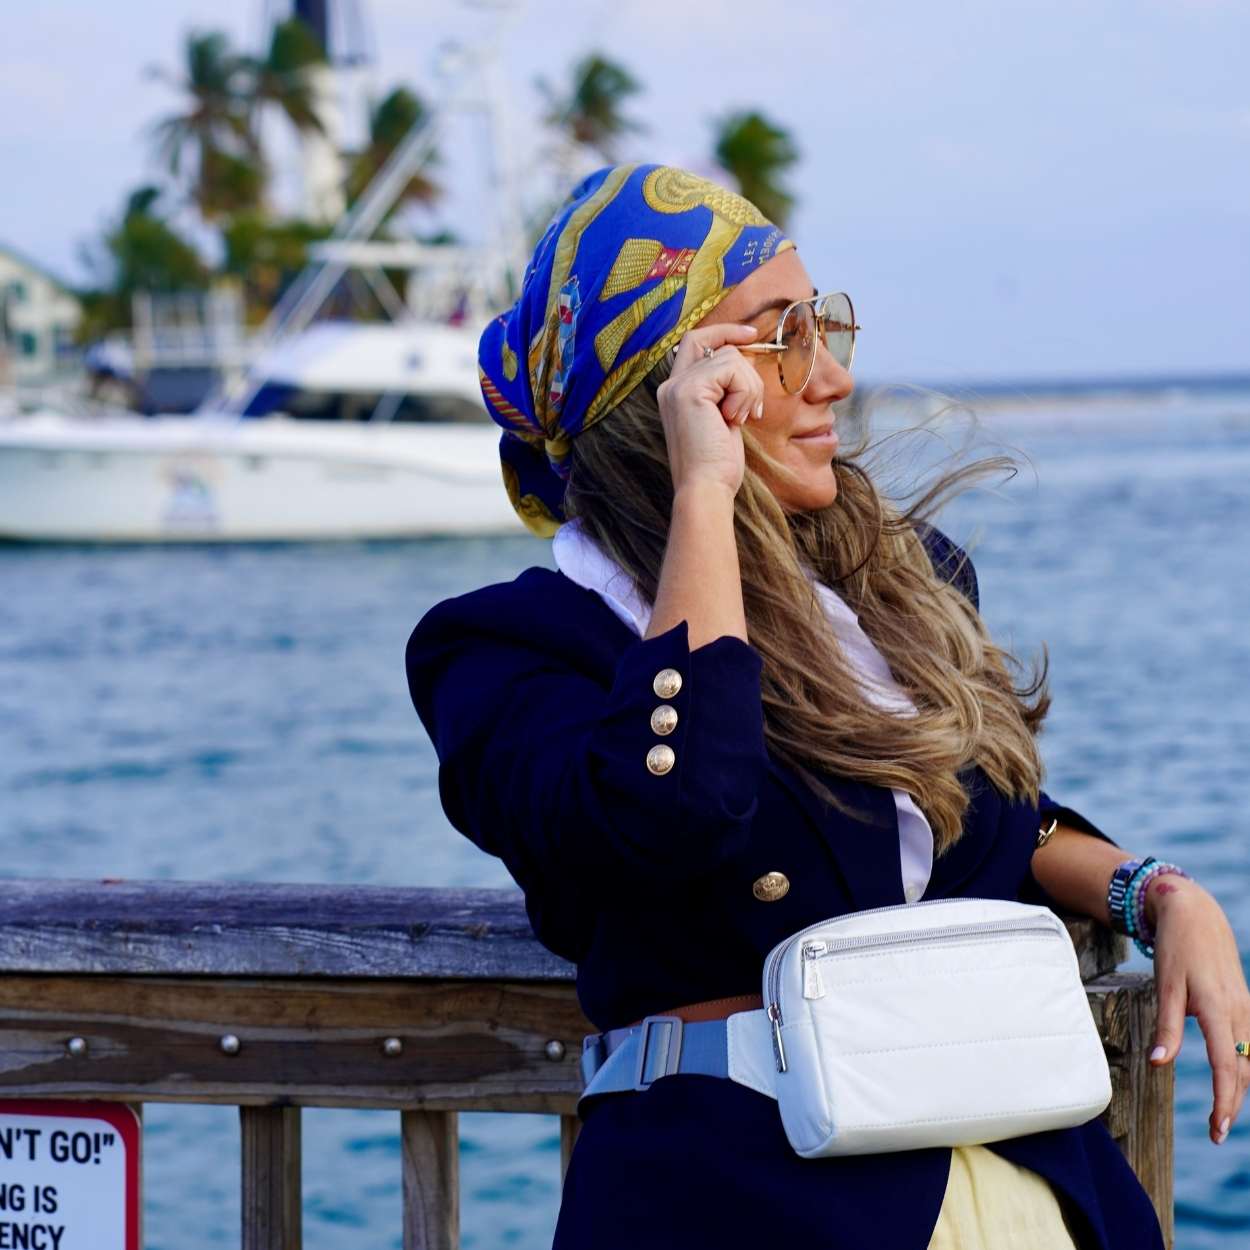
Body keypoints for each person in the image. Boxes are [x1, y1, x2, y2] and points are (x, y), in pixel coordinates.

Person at [406, 163, 1249, 1249]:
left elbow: (989, 828)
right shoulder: (509, 647)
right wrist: (702, 494)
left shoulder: (899, 583)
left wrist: (1157, 893)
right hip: (737, 1204)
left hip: (1032, 1185)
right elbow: (677, 805)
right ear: (667, 392)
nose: (832, 379)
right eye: (778, 337)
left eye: (823, 326)